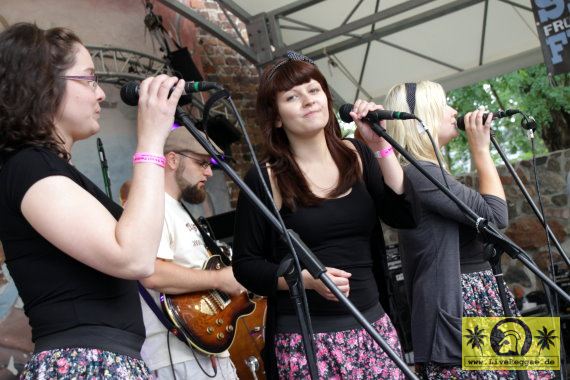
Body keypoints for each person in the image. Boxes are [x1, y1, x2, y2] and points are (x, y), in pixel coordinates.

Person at [0, 23, 185, 378]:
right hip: (84, 362)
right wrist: (149, 143)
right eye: (89, 79)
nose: (101, 94)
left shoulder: (50, 169)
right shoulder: (30, 167)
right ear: (43, 85)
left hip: (104, 358)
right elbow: (133, 258)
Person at [232, 51, 418, 379]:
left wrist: (381, 148)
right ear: (276, 117)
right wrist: (305, 280)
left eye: (314, 90)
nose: (308, 100)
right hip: (307, 340)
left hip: (374, 327)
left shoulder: (356, 154)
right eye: (292, 96)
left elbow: (405, 215)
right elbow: (246, 265)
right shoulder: (267, 176)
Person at [384, 81, 553, 379]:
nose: (454, 111)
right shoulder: (420, 173)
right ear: (422, 118)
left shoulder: (429, 170)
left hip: (477, 299)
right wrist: (480, 150)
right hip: (461, 308)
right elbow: (495, 215)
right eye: (443, 105)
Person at [139, 127, 243, 380]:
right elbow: (153, 273)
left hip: (205, 347)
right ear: (173, 160)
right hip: (176, 353)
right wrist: (219, 279)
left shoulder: (179, 209)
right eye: (201, 163)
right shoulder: (154, 206)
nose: (208, 171)